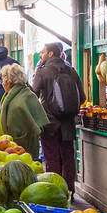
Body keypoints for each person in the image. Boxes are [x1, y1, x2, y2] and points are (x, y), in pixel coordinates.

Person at [31, 41, 86, 189]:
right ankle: (70, 190)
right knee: (68, 157)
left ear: (50, 54)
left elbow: (32, 95)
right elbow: (82, 97)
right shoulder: (72, 71)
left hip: (49, 123)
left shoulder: (42, 72)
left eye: (42, 52)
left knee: (52, 157)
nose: (40, 55)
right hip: (68, 123)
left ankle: (55, 191)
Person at [0, 64, 49, 159]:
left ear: (9, 82)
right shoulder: (26, 93)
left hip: (22, 149)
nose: (2, 84)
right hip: (17, 146)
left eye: (2, 81)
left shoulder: (19, 98)